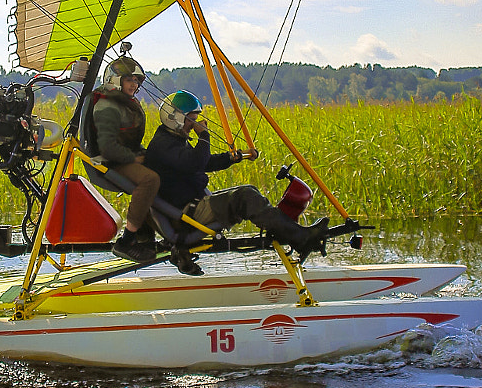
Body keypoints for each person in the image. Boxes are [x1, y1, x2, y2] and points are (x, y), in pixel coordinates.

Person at [144, 90, 329, 275]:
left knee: (249, 190)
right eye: (191, 120)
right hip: (186, 215)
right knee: (245, 197)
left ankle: (291, 233)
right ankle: (300, 238)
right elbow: (197, 162)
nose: (194, 125)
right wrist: (204, 136)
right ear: (174, 118)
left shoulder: (172, 141)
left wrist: (234, 157)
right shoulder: (163, 145)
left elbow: (204, 162)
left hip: (191, 207)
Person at [88, 48, 161, 262]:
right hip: (111, 161)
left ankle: (147, 237)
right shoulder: (107, 106)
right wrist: (133, 158)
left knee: (163, 168)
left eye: (136, 81)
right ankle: (127, 241)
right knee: (150, 179)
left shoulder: (124, 103)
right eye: (129, 79)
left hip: (124, 155)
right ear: (115, 80)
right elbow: (108, 147)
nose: (134, 85)